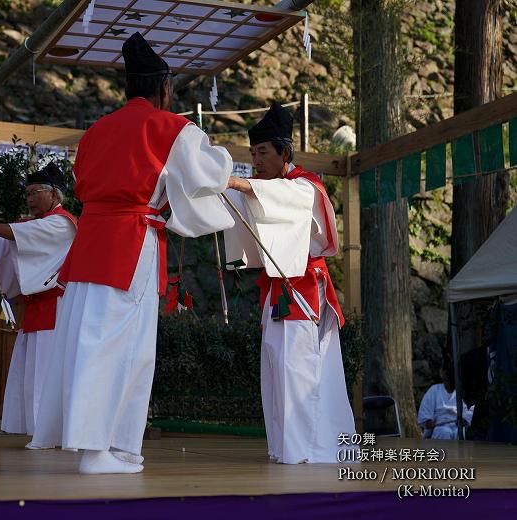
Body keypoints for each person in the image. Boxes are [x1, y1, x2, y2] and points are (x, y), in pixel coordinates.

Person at [30, 32, 235, 474]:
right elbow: (213, 169)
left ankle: (116, 444)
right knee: (120, 345)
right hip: (129, 243)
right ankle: (97, 449)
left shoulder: (94, 132)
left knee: (87, 339)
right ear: (164, 88)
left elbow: (85, 182)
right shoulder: (170, 127)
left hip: (90, 243)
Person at [224, 103, 356, 464]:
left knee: (299, 371)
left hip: (303, 291)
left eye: (263, 153)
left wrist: (238, 183)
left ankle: (308, 450)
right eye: (252, 154)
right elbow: (242, 201)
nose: (256, 161)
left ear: (285, 151)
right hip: (278, 292)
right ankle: (286, 447)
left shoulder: (304, 187)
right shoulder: (266, 188)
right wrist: (220, 188)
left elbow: (281, 199)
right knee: (277, 369)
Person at [0, 162, 77, 444]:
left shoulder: (63, 223)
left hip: (56, 308)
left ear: (54, 194)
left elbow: (16, 236)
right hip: (38, 308)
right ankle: (37, 430)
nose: (29, 199)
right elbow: (3, 242)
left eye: (35, 192)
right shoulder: (35, 224)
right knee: (30, 372)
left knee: (44, 373)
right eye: (27, 193)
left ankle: (48, 434)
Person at [417, 360, 474, 440]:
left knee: (459, 434)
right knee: (444, 433)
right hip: (440, 427)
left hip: (457, 426)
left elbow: (469, 413)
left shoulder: (461, 393)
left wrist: (464, 420)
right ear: (442, 373)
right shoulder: (434, 390)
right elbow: (425, 417)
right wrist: (430, 423)